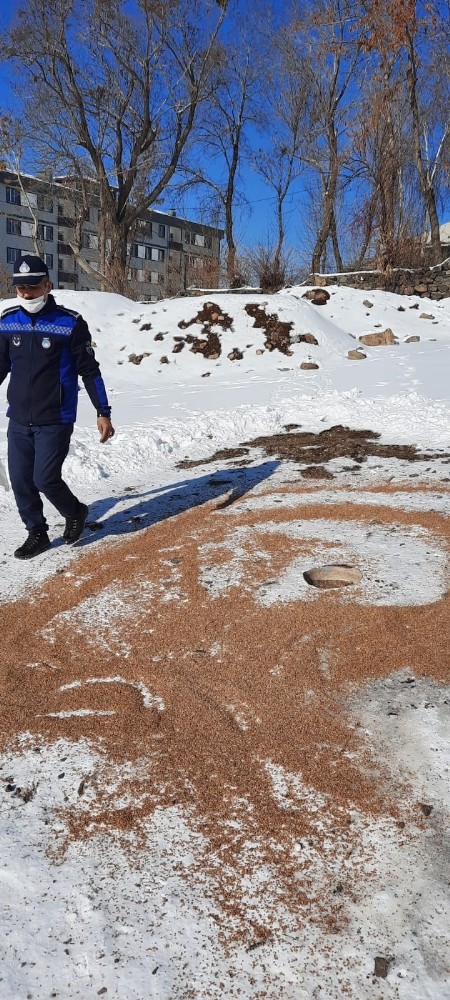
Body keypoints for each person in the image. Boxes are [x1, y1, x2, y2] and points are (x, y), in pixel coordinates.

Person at [0, 254, 115, 559]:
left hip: (56, 417)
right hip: (19, 419)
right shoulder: (8, 322)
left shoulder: (70, 323)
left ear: (48, 285)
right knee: (21, 480)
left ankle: (75, 511)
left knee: (44, 478)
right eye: (21, 288)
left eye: (33, 287)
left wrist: (103, 412)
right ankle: (36, 532)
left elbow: (90, 371)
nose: (26, 293)